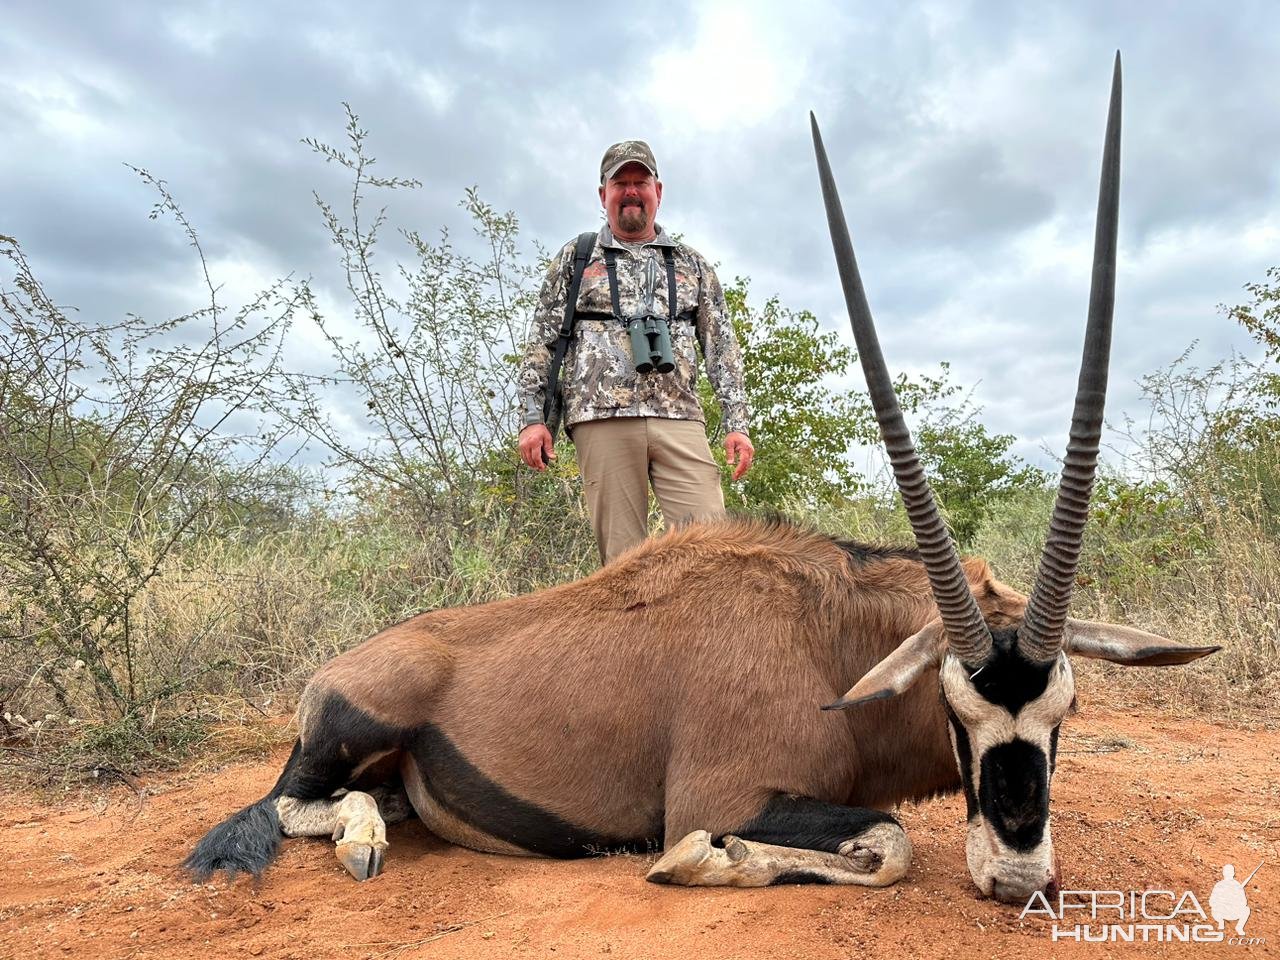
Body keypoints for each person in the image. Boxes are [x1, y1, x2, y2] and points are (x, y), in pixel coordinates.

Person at [517, 140, 754, 565]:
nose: (630, 191)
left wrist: (737, 425)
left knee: (714, 555)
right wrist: (534, 421)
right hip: (600, 419)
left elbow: (722, 347)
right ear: (602, 194)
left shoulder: (691, 264)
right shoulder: (577, 257)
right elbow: (542, 344)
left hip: (679, 417)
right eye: (619, 183)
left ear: (657, 192)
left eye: (639, 182)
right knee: (624, 567)